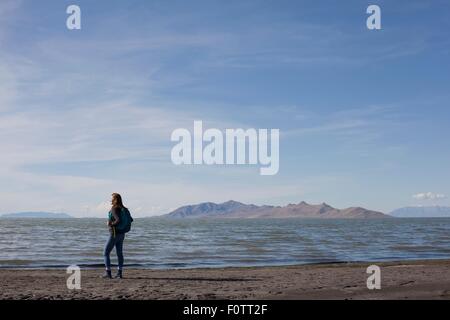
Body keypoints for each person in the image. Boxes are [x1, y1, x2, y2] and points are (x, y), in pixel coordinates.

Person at [102, 193, 127, 279]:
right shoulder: (123, 208)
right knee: (119, 253)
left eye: (112, 198)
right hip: (122, 234)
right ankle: (119, 273)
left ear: (115, 199)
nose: (110, 200)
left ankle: (108, 273)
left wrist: (110, 223)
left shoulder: (114, 208)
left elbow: (118, 220)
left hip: (114, 234)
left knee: (105, 252)